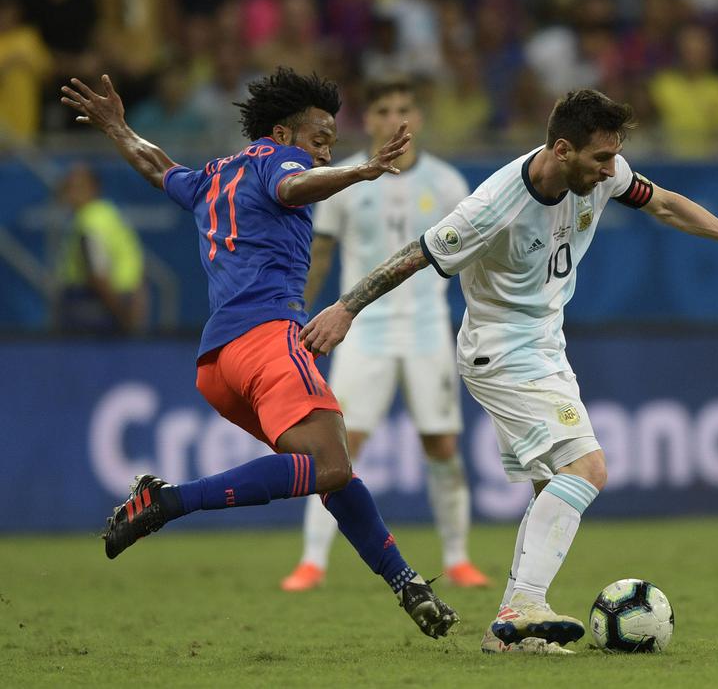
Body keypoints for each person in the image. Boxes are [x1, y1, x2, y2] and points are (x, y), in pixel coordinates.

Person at [299, 89, 718, 654]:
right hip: (501, 352)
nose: (612, 171)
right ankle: (523, 604)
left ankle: (510, 635)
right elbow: (415, 255)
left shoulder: (603, 172)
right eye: (600, 159)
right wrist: (345, 308)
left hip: (544, 345)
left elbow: (661, 202)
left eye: (614, 158)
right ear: (562, 149)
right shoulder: (494, 205)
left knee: (549, 487)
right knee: (587, 468)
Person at [59, 68, 458, 639]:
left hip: (219, 364)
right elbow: (292, 187)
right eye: (319, 140)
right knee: (330, 464)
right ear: (282, 130)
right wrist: (363, 171)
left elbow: (156, 168)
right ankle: (170, 500)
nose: (323, 153)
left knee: (330, 473)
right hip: (269, 338)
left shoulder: (212, 177)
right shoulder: (278, 159)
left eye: (331, 145)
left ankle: (407, 583)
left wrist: (119, 128)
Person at [281, 79, 490, 593]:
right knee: (338, 446)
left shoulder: (447, 183)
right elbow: (321, 254)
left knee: (441, 443)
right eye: (383, 109)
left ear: (418, 116)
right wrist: (294, 310)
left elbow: (470, 258)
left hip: (426, 329)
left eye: (405, 108)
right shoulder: (345, 180)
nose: (396, 117)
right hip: (362, 329)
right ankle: (312, 560)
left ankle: (459, 557)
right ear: (368, 121)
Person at [54, 163, 146, 335]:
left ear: (93, 188)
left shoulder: (90, 224)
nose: (71, 194)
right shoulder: (108, 214)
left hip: (98, 305)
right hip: (117, 300)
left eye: (77, 187)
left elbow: (98, 275)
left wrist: (122, 315)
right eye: (69, 187)